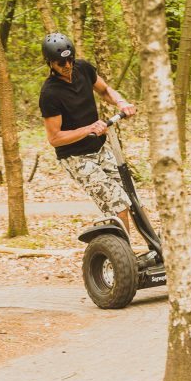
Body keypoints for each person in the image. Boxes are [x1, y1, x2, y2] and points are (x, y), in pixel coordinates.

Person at [38, 32, 137, 232]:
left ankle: (155, 247)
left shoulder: (83, 68)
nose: (67, 66)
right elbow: (55, 138)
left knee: (134, 198)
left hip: (99, 148)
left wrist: (121, 102)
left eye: (69, 60)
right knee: (118, 206)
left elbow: (104, 90)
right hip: (76, 158)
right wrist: (89, 129)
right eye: (60, 63)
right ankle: (123, 256)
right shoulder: (50, 94)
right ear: (50, 64)